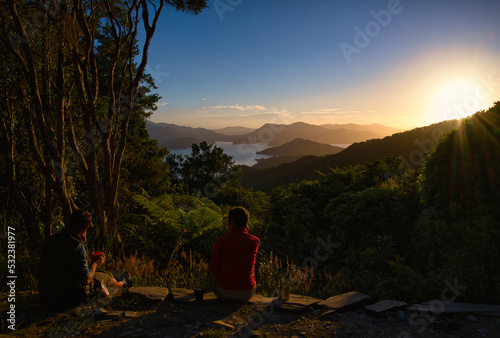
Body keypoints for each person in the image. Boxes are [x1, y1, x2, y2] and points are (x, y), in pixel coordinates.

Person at [39, 210, 129, 310]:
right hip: (69, 299)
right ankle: (122, 283)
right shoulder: (77, 245)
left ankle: (119, 282)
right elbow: (85, 280)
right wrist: (95, 263)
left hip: (47, 296)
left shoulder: (51, 240)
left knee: (98, 275)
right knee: (106, 275)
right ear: (86, 227)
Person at [209, 207, 260, 302]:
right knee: (251, 269)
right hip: (246, 293)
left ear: (231, 222)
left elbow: (213, 268)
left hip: (223, 292)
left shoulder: (222, 241)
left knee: (214, 261)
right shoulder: (255, 241)